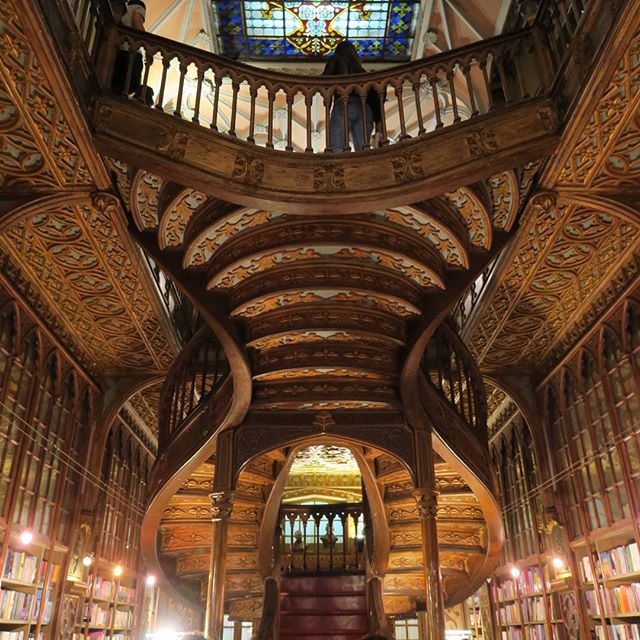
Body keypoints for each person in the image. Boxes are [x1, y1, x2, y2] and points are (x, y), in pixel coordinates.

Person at [322, 41, 382, 153]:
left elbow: (325, 79)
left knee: (337, 147)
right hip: (365, 109)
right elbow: (375, 99)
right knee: (363, 150)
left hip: (344, 104)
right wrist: (379, 126)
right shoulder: (363, 72)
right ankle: (362, 170)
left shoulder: (336, 59)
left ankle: (339, 169)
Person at [112, 0, 153, 105]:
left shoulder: (121, 6)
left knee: (116, 85)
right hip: (130, 52)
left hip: (117, 49)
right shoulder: (139, 5)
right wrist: (148, 46)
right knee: (131, 84)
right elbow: (137, 20)